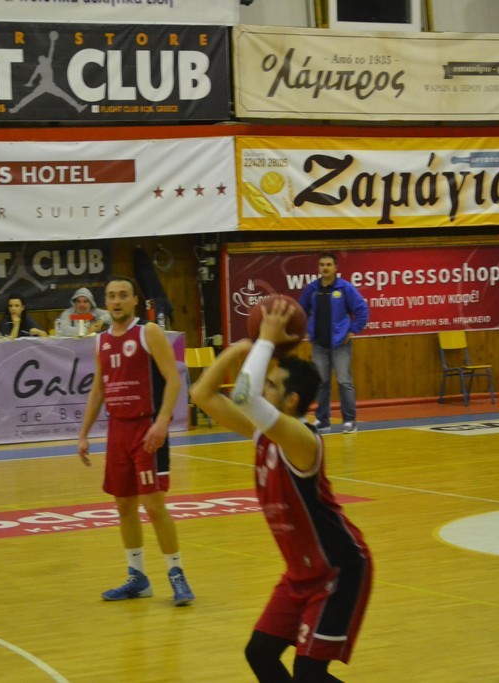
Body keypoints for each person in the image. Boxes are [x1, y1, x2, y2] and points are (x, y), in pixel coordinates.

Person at [190, 300, 372, 683]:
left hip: (337, 570)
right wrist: (239, 350)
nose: (262, 386)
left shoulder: (302, 440)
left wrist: (267, 342)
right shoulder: (263, 434)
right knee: (259, 653)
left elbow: (244, 397)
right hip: (300, 574)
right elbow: (202, 394)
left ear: (291, 401)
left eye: (271, 385)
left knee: (308, 673)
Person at [77, 277, 194, 606]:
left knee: (154, 506)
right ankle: (137, 578)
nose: (116, 301)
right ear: (106, 302)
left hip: (147, 428)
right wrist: (84, 434)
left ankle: (177, 574)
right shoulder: (101, 340)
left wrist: (162, 422)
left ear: (133, 301)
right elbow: (98, 390)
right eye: (111, 296)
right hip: (118, 430)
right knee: (124, 506)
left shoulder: (148, 332)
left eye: (123, 296)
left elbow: (173, 380)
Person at [298, 253, 369, 434]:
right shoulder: (312, 289)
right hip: (319, 345)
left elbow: (362, 309)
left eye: (329, 264)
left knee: (344, 382)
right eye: (322, 264)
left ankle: (350, 421)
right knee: (321, 383)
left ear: (336, 268)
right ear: (318, 268)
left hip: (340, 344)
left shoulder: (345, 288)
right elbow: (300, 310)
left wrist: (353, 330)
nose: (325, 268)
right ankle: (323, 421)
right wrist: (306, 329)